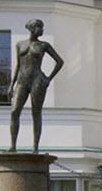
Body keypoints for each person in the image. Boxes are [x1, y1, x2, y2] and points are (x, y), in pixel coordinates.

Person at [8, 17, 65, 151]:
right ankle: (13, 146)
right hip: (22, 80)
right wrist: (12, 84)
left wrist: (48, 79)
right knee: (14, 111)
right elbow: (18, 65)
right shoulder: (20, 45)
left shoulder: (43, 45)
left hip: (37, 80)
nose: (42, 29)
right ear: (32, 29)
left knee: (36, 113)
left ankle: (35, 148)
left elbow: (59, 62)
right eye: (39, 27)